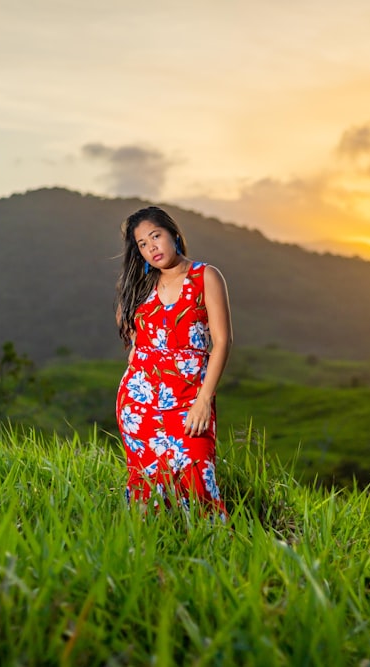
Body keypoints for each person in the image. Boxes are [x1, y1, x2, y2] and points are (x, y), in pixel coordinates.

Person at [114, 206, 233, 520]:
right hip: (140, 402)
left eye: (156, 236)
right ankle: (152, 553)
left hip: (190, 397)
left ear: (174, 234)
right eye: (142, 243)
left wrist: (204, 400)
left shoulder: (204, 276)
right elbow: (128, 323)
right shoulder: (142, 285)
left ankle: (215, 557)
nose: (152, 247)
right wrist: (139, 345)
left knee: (199, 482)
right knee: (146, 487)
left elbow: (222, 341)